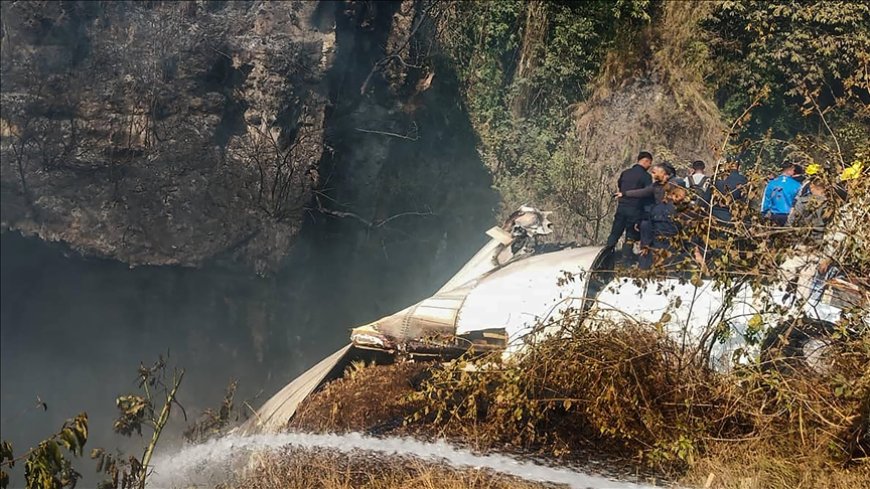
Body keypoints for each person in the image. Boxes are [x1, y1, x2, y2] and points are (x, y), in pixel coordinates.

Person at [605, 151, 653, 259]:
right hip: (636, 210)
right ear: (645, 161)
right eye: (649, 163)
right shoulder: (646, 177)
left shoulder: (625, 173)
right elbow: (647, 194)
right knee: (630, 236)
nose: (650, 166)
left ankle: (606, 258)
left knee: (614, 234)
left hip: (621, 208)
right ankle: (626, 260)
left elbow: (620, 185)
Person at [761, 161, 801, 226]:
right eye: (794, 170)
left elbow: (766, 201)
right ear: (791, 170)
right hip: (790, 216)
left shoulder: (771, 184)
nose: (794, 172)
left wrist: (764, 214)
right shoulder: (797, 185)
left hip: (774, 216)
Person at [711, 157, 748, 223]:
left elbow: (707, 198)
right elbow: (745, 201)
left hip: (714, 215)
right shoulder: (743, 180)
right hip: (732, 216)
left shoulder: (716, 178)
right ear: (739, 167)